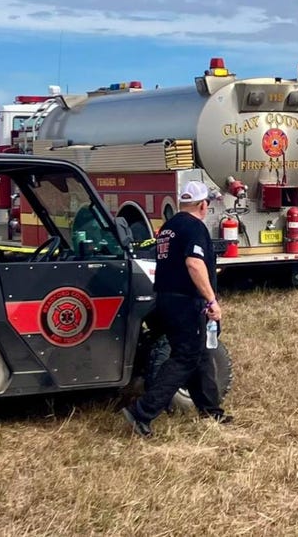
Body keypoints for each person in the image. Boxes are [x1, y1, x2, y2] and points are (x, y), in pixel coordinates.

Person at [121, 180, 230, 438]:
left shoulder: (168, 228)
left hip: (165, 299)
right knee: (185, 357)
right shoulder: (195, 227)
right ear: (203, 205)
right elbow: (194, 264)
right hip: (186, 302)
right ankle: (142, 412)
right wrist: (211, 300)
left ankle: (211, 411)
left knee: (200, 353)